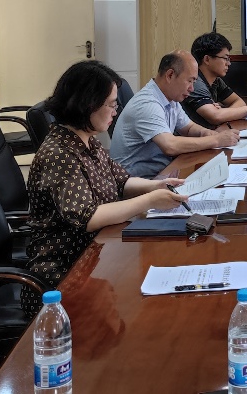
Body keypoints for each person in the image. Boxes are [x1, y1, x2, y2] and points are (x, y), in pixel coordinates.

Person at [23, 60, 187, 314]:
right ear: (88, 104)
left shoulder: (88, 141)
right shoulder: (59, 154)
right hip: (62, 274)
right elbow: (88, 217)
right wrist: (149, 200)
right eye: (111, 104)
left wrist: (156, 185)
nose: (115, 111)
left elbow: (121, 181)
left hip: (97, 252)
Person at [110, 51, 241, 177]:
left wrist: (208, 133)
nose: (192, 88)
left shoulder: (170, 98)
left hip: (162, 171)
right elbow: (170, 146)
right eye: (189, 81)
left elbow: (188, 128)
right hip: (139, 181)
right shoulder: (147, 103)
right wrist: (216, 140)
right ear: (170, 75)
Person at [184, 32, 247, 127]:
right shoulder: (194, 82)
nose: (228, 63)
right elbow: (215, 117)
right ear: (207, 59)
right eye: (225, 58)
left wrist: (224, 113)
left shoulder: (216, 81)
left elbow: (239, 102)